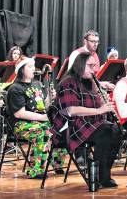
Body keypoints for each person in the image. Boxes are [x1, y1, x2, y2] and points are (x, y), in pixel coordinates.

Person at [50, 51, 122, 188]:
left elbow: (97, 106)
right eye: (90, 66)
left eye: (94, 66)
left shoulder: (91, 83)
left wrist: (102, 101)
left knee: (117, 131)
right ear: (80, 65)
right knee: (106, 132)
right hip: (71, 127)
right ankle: (98, 177)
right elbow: (71, 110)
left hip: (91, 124)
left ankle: (104, 175)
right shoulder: (68, 82)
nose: (94, 69)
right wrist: (99, 110)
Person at [6, 57, 66, 178]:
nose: (33, 69)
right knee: (43, 131)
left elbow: (44, 105)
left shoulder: (37, 84)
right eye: (30, 67)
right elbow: (19, 113)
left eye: (33, 66)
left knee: (62, 128)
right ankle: (36, 169)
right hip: (21, 124)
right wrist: (44, 118)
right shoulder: (15, 88)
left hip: (39, 120)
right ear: (22, 70)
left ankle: (57, 163)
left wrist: (50, 96)